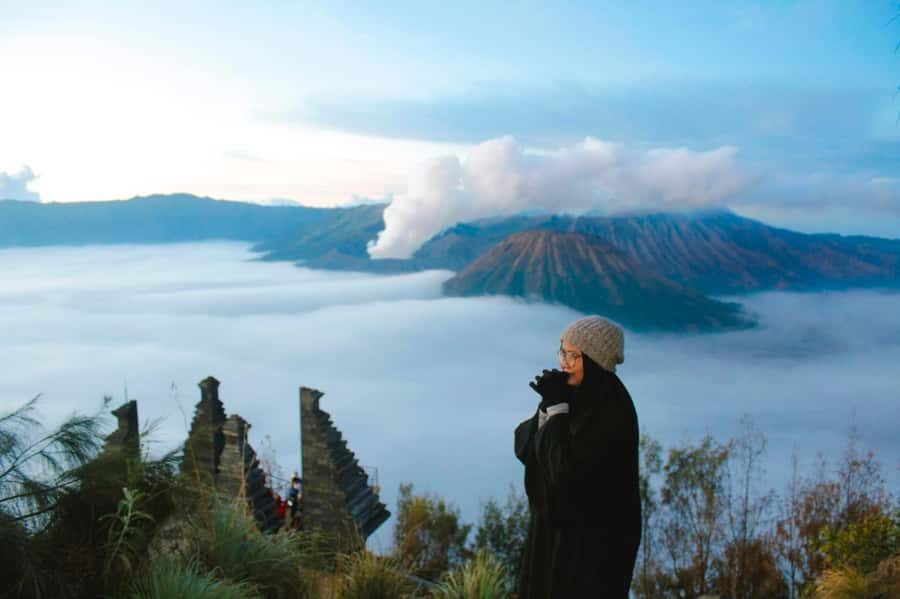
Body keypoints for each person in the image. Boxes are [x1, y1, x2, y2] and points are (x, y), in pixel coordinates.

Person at [515, 316, 641, 598]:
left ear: (596, 361)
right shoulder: (570, 395)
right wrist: (548, 409)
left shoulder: (611, 409)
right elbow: (523, 446)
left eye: (574, 355)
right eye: (562, 352)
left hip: (594, 546)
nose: (565, 362)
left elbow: (566, 474)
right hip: (555, 537)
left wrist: (557, 411)